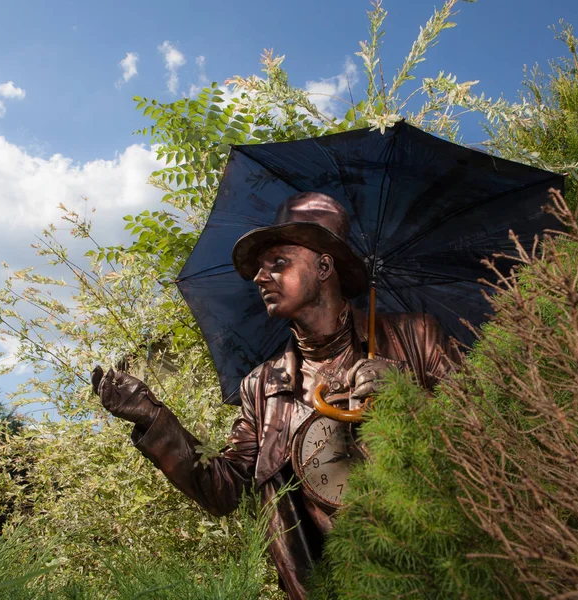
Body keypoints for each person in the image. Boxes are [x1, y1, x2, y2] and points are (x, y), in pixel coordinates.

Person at [92, 192, 458, 600]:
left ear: (323, 266)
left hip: (433, 574)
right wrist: (152, 418)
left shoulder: (416, 337)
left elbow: (483, 437)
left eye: (278, 264)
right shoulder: (262, 387)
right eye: (260, 270)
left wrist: (408, 397)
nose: (259, 278)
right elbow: (222, 489)